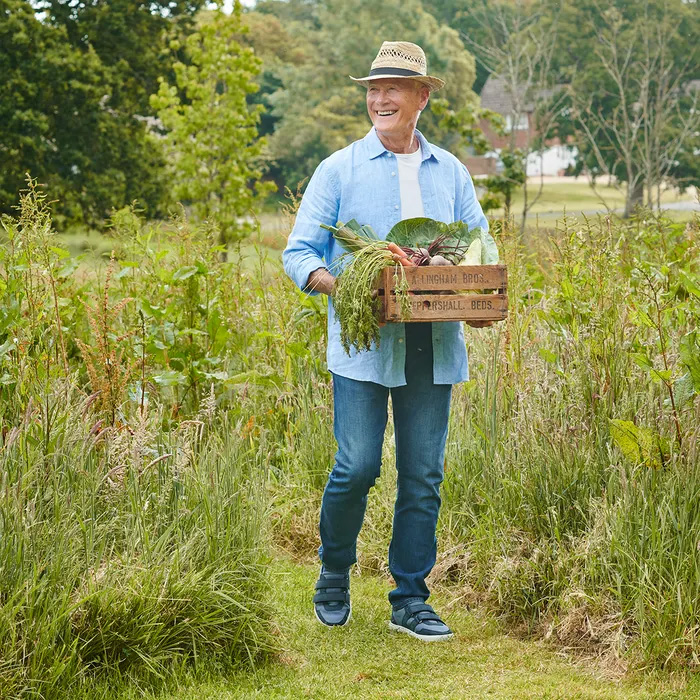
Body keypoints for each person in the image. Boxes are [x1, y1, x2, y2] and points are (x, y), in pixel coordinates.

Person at [283, 40, 491, 641]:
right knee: (357, 465)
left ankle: (410, 599)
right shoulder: (339, 169)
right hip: (363, 347)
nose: (379, 98)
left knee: (423, 474)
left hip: (434, 345)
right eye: (373, 89)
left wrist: (478, 297)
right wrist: (346, 287)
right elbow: (299, 255)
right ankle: (333, 575)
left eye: (393, 88)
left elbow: (478, 250)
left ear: (422, 97)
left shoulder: (450, 171)